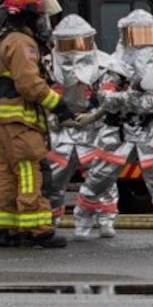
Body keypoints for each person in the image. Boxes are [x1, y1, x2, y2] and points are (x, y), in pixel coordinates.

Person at [76, 8, 153, 246]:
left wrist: (143, 102)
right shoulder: (115, 66)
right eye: (137, 34)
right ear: (125, 36)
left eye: (148, 34)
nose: (144, 41)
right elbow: (105, 98)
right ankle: (84, 219)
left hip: (151, 130)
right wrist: (130, 96)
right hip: (117, 130)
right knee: (99, 178)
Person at [0, 0, 67, 249]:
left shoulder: (2, 38)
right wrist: (59, 105)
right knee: (31, 174)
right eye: (39, 16)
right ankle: (37, 229)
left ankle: (7, 228)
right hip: (20, 123)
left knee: (6, 177)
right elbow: (29, 84)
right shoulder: (21, 42)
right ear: (28, 16)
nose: (43, 22)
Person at [50, 15, 125, 240]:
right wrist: (55, 119)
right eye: (67, 43)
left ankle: (106, 220)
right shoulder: (48, 65)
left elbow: (110, 100)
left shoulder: (105, 65)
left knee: (102, 178)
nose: (74, 49)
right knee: (53, 180)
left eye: (79, 42)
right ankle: (49, 222)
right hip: (60, 134)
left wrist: (93, 118)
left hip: (93, 132)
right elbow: (41, 97)